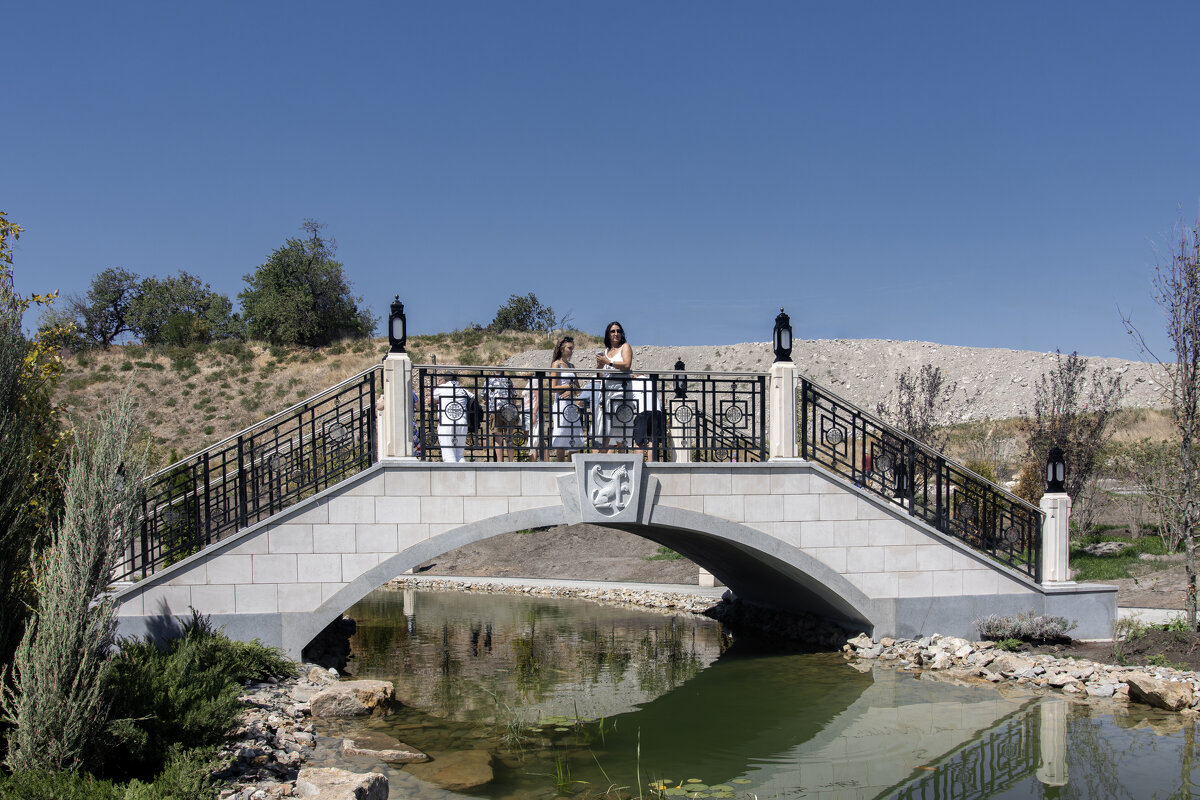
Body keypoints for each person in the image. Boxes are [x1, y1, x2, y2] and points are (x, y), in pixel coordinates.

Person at [594, 320, 634, 453]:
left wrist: (608, 362)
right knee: (605, 428)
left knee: (619, 427)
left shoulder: (625, 347)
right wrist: (600, 365)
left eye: (618, 331)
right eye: (613, 331)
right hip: (606, 392)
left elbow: (627, 365)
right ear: (608, 334)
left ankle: (624, 461)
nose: (616, 333)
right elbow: (600, 376)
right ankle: (603, 461)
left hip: (620, 391)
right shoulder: (605, 351)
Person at [550, 336, 586, 461]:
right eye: (569, 348)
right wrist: (569, 386)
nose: (572, 351)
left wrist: (571, 389)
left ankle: (571, 465)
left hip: (571, 404)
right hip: (561, 403)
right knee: (561, 432)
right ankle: (560, 465)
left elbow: (578, 388)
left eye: (573, 348)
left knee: (574, 434)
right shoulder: (556, 364)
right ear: (562, 349)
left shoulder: (571, 366)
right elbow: (553, 387)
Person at [432, 372, 474, 463]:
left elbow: (429, 401)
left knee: (448, 455)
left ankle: (452, 476)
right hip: (462, 421)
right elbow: (472, 398)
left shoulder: (441, 388)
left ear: (445, 380)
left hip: (446, 422)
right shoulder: (463, 390)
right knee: (459, 455)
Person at [482, 372, 518, 462]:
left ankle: (500, 462)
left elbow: (484, 400)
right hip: (508, 411)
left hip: (494, 410)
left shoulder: (488, 381)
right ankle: (511, 462)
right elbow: (514, 398)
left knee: (498, 439)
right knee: (509, 437)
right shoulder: (508, 380)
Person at [630, 373, 667, 461]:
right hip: (657, 411)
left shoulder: (633, 383)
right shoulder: (651, 381)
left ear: (634, 376)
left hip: (643, 411)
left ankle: (640, 466)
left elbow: (630, 402)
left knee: (639, 442)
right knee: (653, 441)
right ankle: (652, 465)